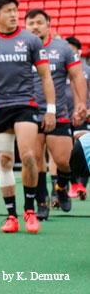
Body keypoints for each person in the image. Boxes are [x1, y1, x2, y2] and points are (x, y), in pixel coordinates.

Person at [0, 0, 56, 235]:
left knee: (30, 156)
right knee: (4, 161)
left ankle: (29, 210)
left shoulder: (31, 40)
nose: (13, 14)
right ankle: (11, 215)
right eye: (8, 11)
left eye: (15, 10)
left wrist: (51, 109)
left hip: (26, 104)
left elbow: (45, 76)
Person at [24, 10, 87, 219]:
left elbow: (77, 76)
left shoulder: (62, 49)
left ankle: (61, 186)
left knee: (65, 162)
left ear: (48, 24)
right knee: (35, 160)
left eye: (39, 23)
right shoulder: (20, 48)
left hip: (58, 113)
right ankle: (42, 202)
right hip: (29, 112)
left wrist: (81, 104)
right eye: (31, 23)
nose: (35, 27)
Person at [64, 36, 89, 198]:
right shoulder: (58, 68)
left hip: (83, 115)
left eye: (73, 49)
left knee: (84, 148)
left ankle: (82, 185)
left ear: (79, 52)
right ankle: (71, 183)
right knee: (67, 152)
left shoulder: (87, 70)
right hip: (63, 116)